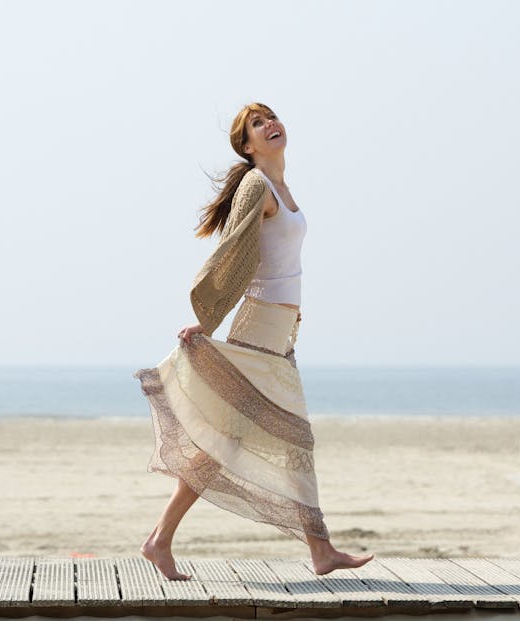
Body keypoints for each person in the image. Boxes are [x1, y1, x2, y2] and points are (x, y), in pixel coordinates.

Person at [133, 102, 374, 580]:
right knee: (285, 440)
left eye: (271, 117)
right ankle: (319, 551)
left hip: (280, 333)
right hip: (259, 327)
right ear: (247, 146)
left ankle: (161, 540)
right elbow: (236, 252)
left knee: (234, 442)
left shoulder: (281, 188)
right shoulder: (257, 185)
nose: (270, 124)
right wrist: (210, 319)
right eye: (257, 124)